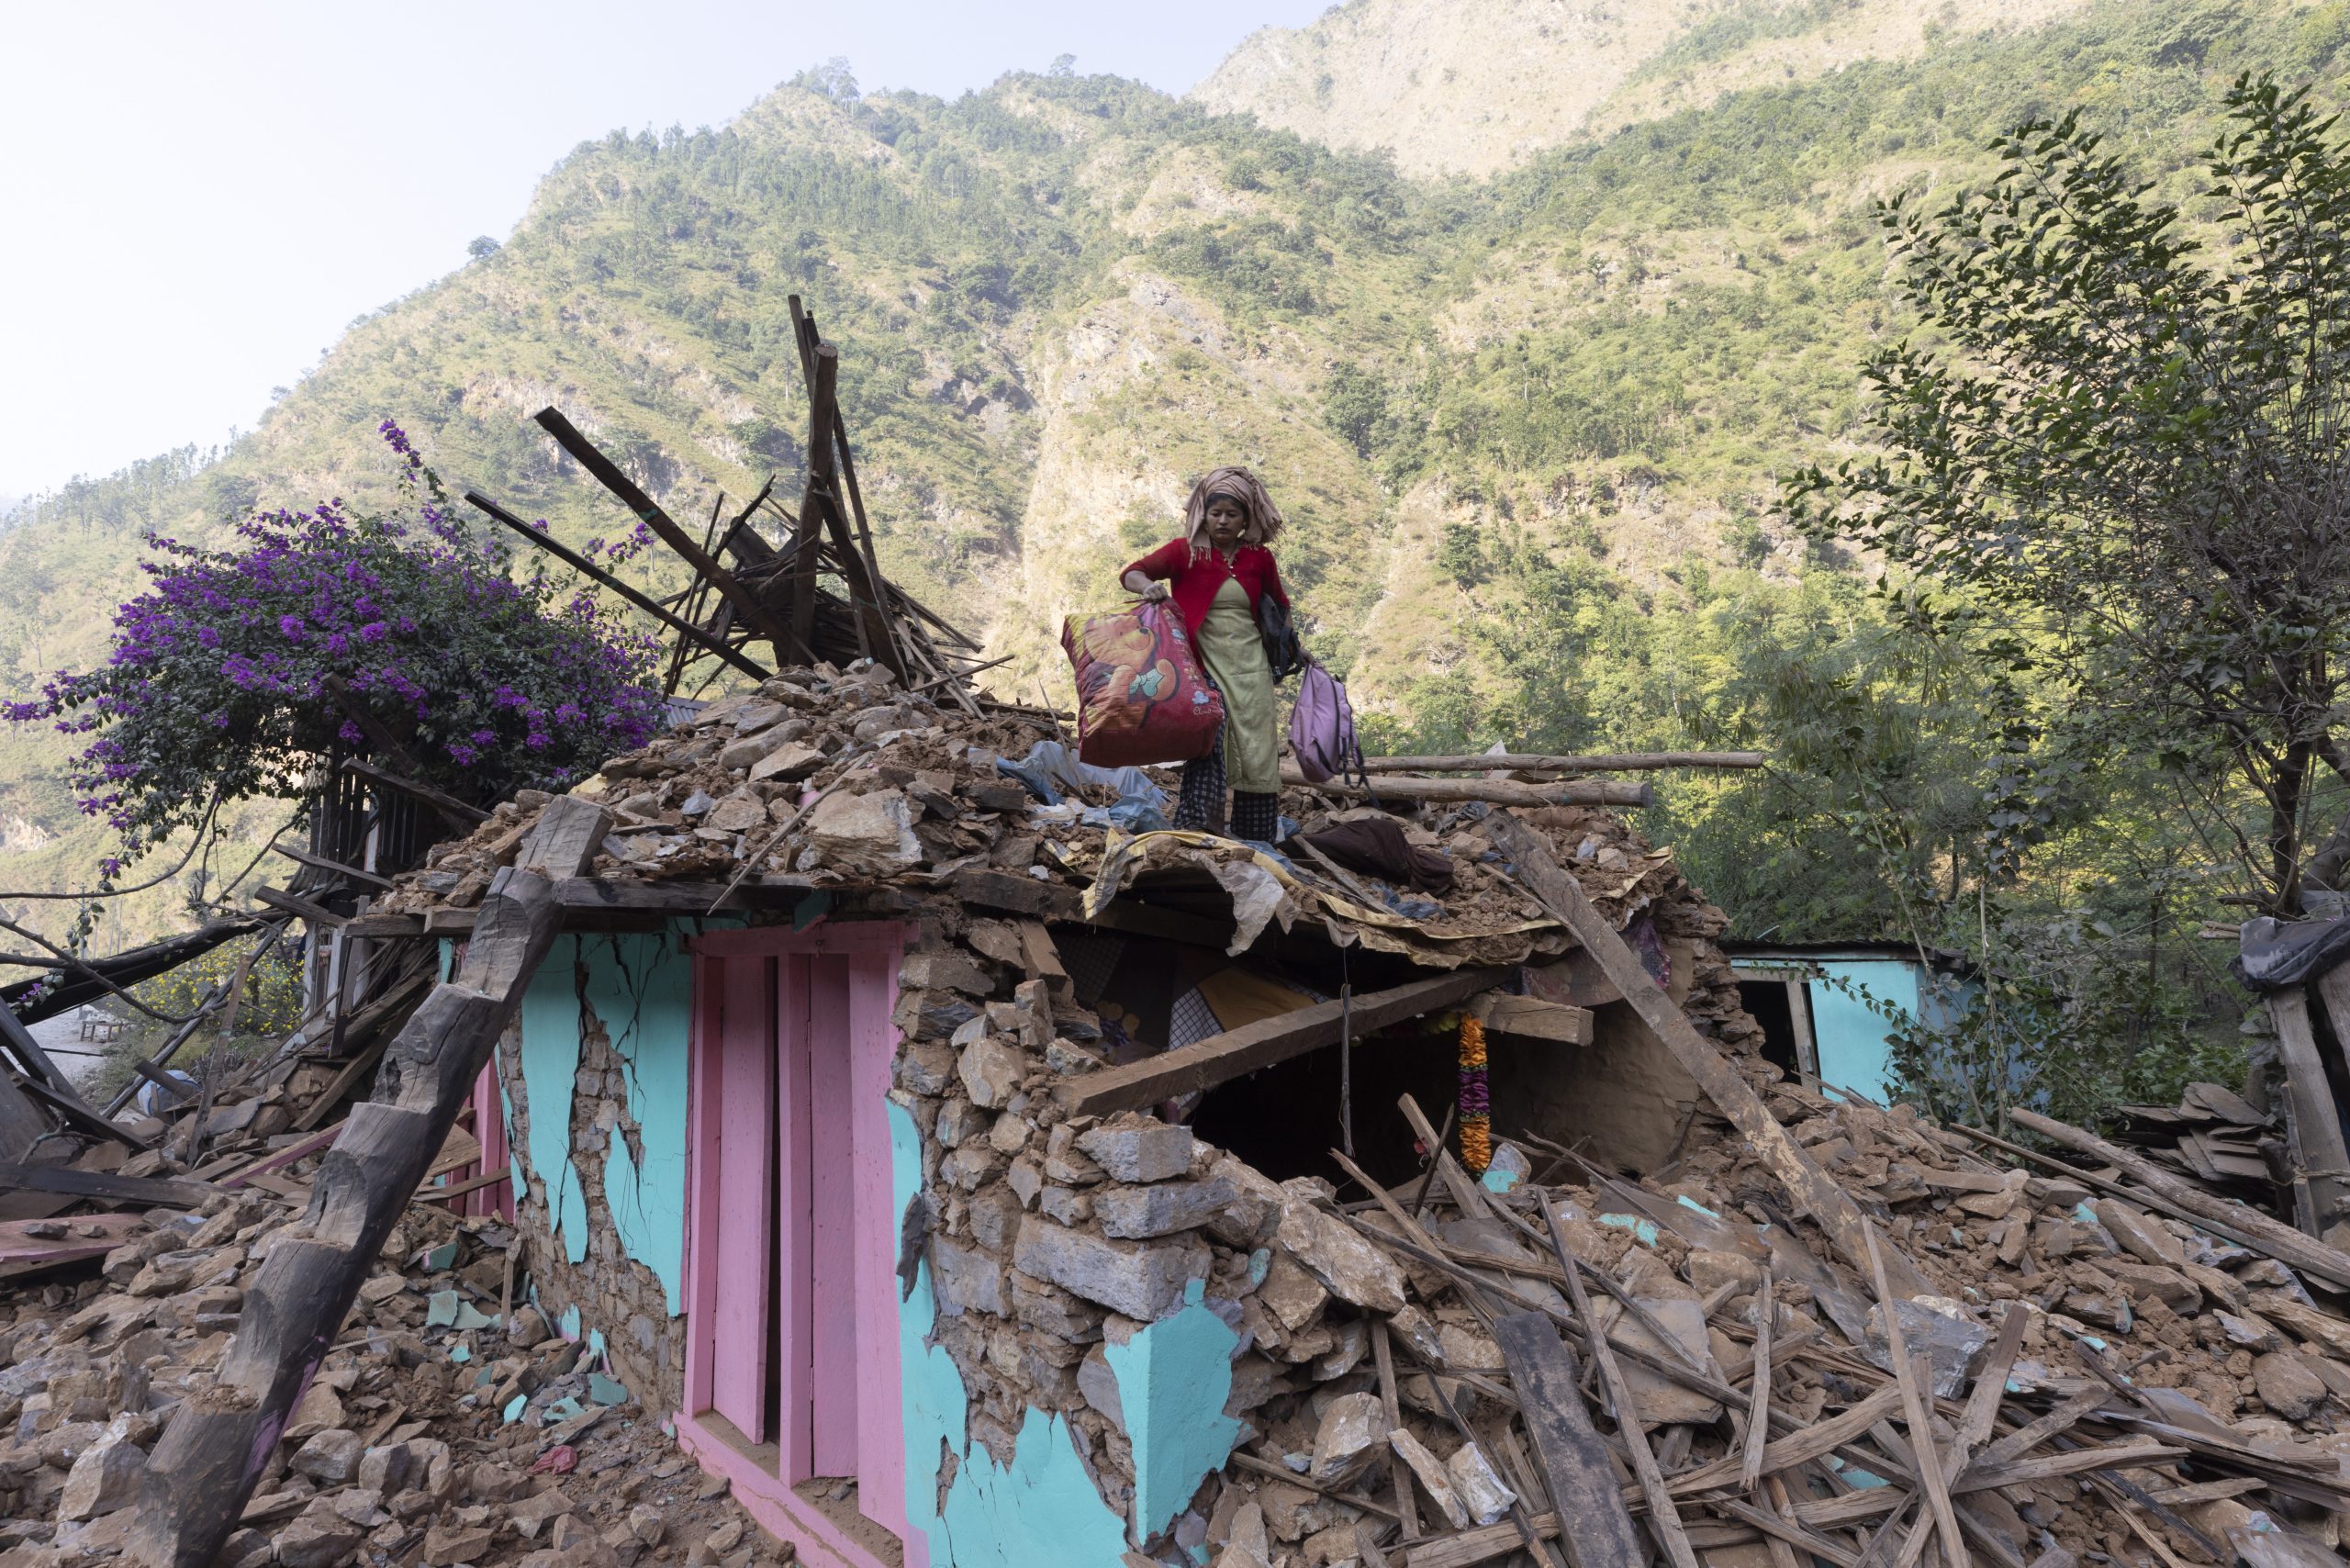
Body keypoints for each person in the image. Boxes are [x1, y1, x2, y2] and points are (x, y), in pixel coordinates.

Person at [1120, 466, 1292, 841]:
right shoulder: (1184, 552)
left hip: (1251, 667)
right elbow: (1133, 572)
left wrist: (1295, 650)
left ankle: (1256, 836)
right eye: (1216, 513)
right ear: (1204, 514)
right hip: (1201, 666)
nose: (1223, 521)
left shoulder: (1259, 558)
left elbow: (1279, 607)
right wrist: (1147, 586)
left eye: (1232, 514)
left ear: (1246, 519)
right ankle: (1198, 827)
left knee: (1258, 749)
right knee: (1210, 736)